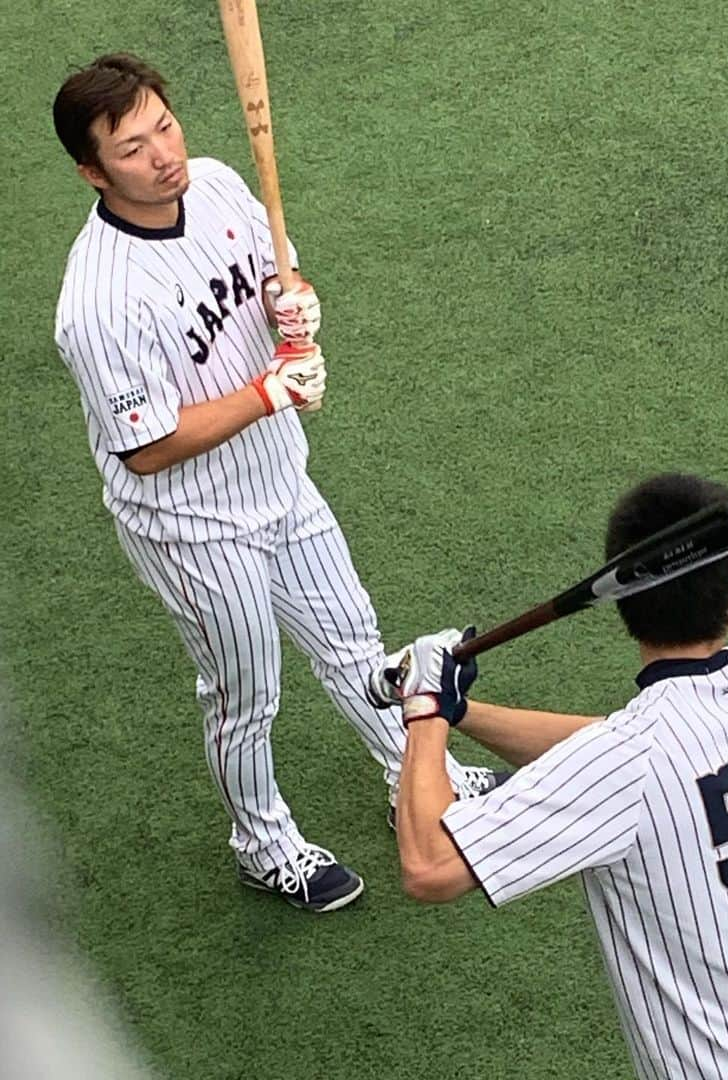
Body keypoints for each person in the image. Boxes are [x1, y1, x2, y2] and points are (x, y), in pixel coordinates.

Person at [51, 53, 500, 913]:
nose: (163, 155)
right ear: (91, 171)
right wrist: (267, 392)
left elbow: (275, 272)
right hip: (191, 527)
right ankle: (263, 845)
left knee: (354, 641)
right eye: (133, 148)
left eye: (165, 127)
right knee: (245, 691)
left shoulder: (218, 185)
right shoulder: (99, 301)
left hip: (279, 483)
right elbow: (144, 448)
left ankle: (414, 774)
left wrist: (290, 305)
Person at [375, 473, 728, 1078]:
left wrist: (425, 710)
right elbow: (615, 755)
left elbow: (428, 866)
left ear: (621, 608)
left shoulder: (629, 764)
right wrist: (464, 713)